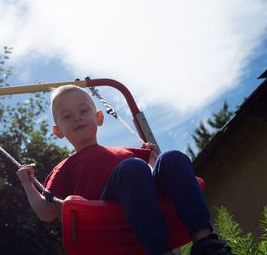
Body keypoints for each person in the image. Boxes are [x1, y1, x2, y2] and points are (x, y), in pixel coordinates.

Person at [17, 85, 234, 255]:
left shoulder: (126, 153)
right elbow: (48, 213)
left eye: (84, 110)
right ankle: (162, 252)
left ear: (99, 118)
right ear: (58, 131)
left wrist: (152, 157)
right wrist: (28, 184)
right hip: (106, 220)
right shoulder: (64, 167)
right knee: (132, 167)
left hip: (147, 208)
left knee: (173, 158)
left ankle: (206, 242)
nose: (77, 117)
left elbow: (152, 175)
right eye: (67, 116)